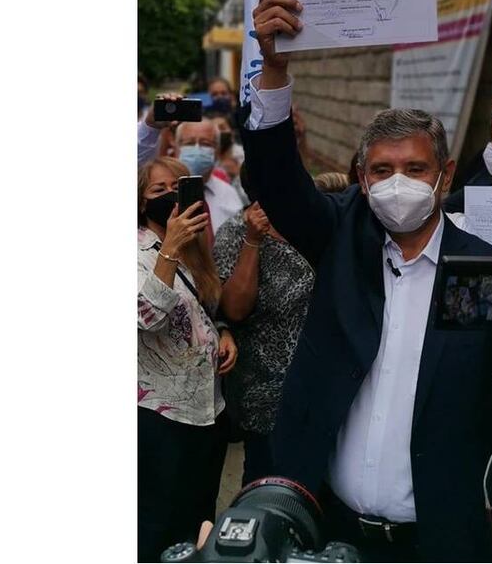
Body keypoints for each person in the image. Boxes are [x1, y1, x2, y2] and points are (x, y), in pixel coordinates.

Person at [242, 0, 492, 562]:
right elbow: (279, 182)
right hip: (332, 530)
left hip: (441, 541)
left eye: (414, 166)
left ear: (445, 175)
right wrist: (274, 70)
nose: (397, 182)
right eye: (381, 170)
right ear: (360, 178)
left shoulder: (485, 271)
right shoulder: (342, 239)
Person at [212, 169, 352, 485]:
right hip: (266, 395)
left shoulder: (329, 230)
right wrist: (253, 241)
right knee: (265, 482)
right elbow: (233, 309)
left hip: (324, 388)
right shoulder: (239, 231)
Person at [137, 157, 238, 562]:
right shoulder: (137, 251)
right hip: (163, 417)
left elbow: (205, 306)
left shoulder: (196, 248)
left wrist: (224, 332)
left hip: (207, 411)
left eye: (177, 189)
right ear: (141, 202)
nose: (168, 198)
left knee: (199, 519)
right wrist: (172, 249)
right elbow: (145, 316)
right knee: (158, 522)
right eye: (157, 190)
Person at [169, 117, 245, 234]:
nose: (197, 149)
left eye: (205, 144)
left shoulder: (229, 193)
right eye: (189, 143)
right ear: (176, 147)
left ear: (217, 151)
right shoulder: (163, 191)